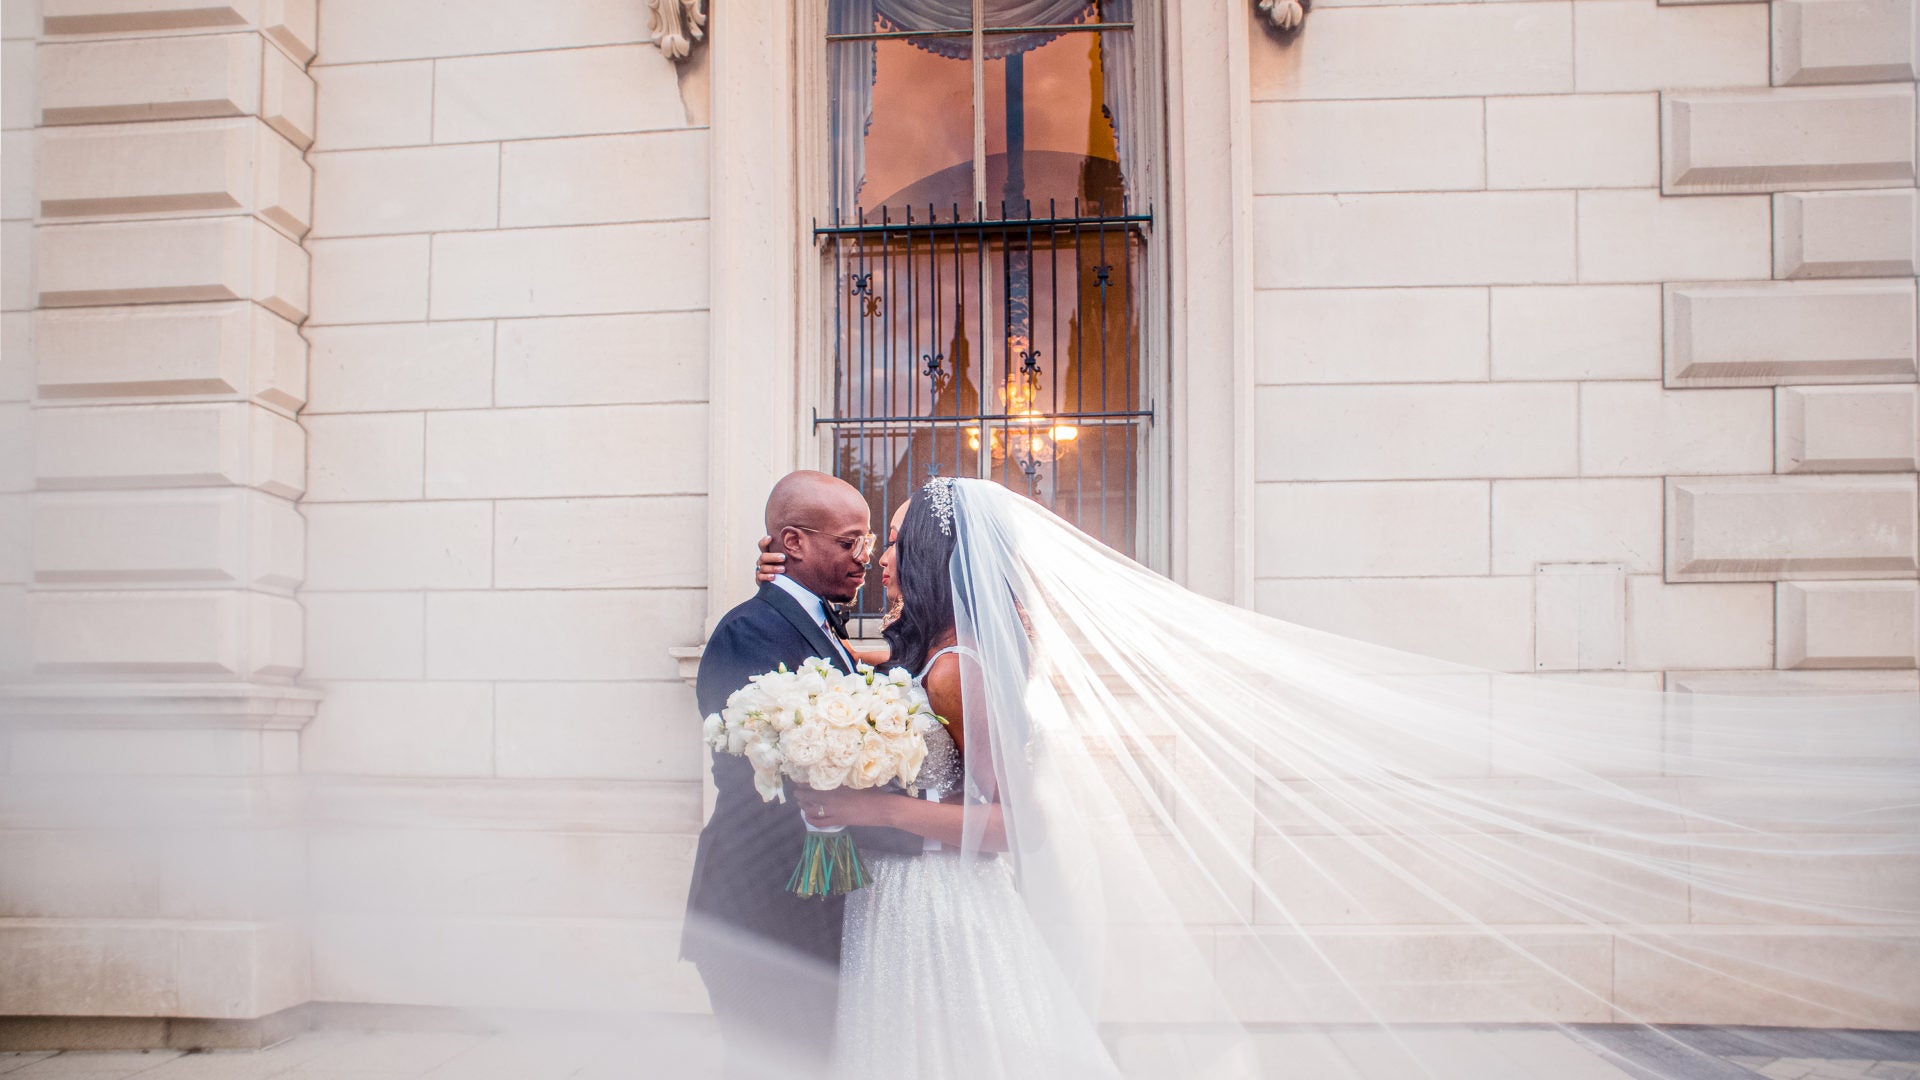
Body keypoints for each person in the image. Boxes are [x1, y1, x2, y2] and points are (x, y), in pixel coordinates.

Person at [745, 475, 1920, 1079]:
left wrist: (862, 805)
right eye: (864, 540)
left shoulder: (957, 673)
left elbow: (997, 819)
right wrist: (805, 626)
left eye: (892, 539)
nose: (879, 553)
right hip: (913, 904)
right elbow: (869, 676)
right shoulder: (925, 654)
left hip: (946, 905)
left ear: (935, 558)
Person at [680, 470, 923, 1080]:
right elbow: (771, 783)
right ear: (792, 542)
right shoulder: (748, 633)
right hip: (760, 910)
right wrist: (921, 832)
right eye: (848, 542)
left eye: (866, 543)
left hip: (804, 907)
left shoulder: (820, 623)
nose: (862, 558)